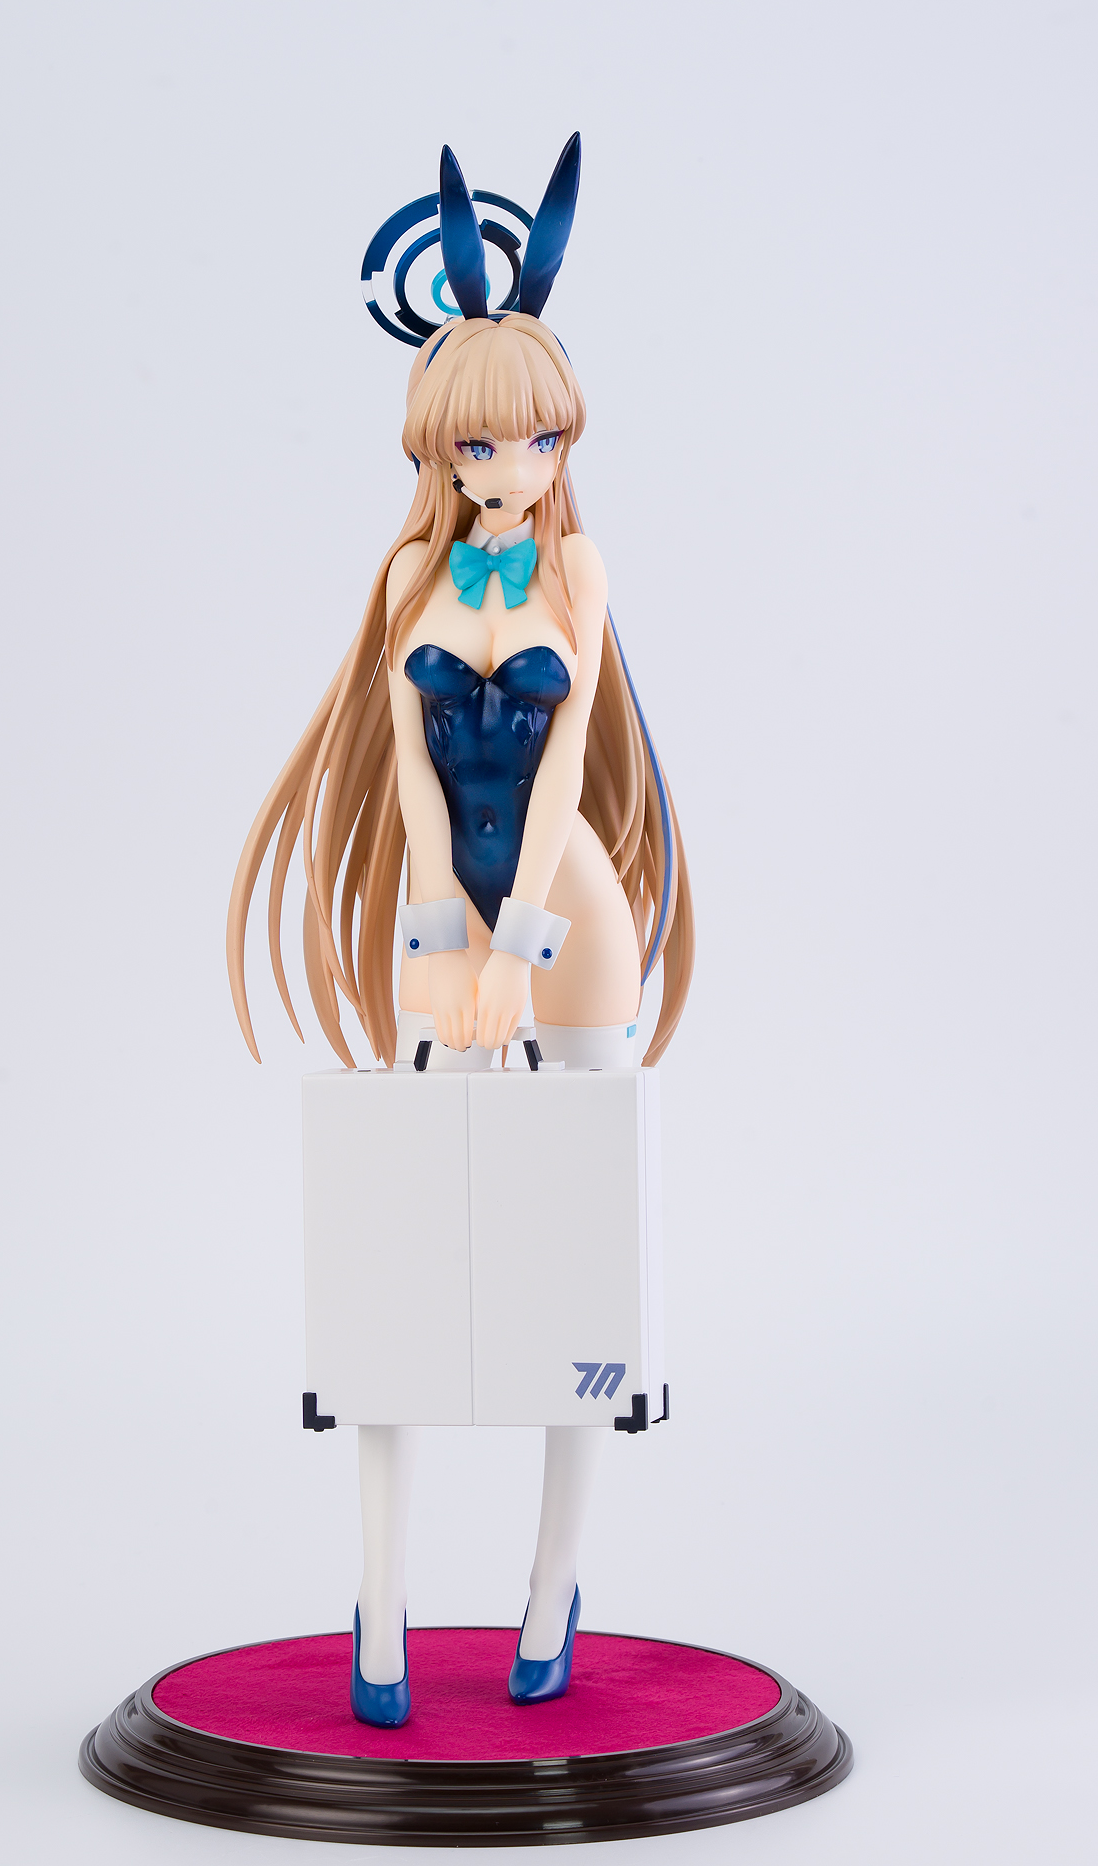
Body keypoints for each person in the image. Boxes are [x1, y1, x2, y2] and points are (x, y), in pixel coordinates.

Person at [228, 139, 693, 1724]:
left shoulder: (579, 566)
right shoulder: (407, 576)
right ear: (438, 445)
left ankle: (554, 1583)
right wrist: (444, 926)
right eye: (489, 439)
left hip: (572, 907)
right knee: (403, 1231)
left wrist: (520, 946)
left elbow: (564, 769)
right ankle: (380, 1592)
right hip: (446, 902)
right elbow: (413, 775)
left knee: (579, 1238)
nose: (519, 463)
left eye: (545, 435)